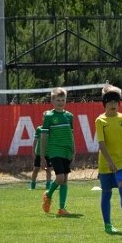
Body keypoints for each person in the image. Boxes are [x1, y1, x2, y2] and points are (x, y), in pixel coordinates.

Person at [95, 84, 122, 234]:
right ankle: (108, 225)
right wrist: (109, 162)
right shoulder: (100, 121)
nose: (113, 105)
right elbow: (101, 144)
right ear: (104, 104)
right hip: (106, 163)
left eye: (116, 102)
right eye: (110, 102)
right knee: (106, 193)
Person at [40, 87, 75, 216]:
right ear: (53, 101)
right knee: (60, 177)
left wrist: (73, 148)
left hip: (66, 150)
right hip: (55, 150)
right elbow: (44, 136)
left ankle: (62, 208)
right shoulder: (49, 116)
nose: (61, 102)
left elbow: (71, 134)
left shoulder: (69, 116)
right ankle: (48, 194)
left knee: (65, 179)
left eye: (63, 99)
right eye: (58, 100)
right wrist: (43, 155)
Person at [30, 126, 52, 190]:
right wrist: (33, 152)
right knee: (36, 169)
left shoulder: (53, 129)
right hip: (39, 153)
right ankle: (33, 185)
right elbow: (35, 141)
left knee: (48, 170)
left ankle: (48, 186)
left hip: (48, 153)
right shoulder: (39, 129)